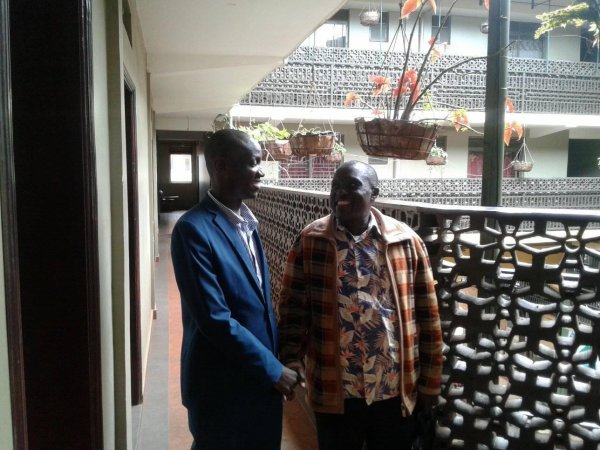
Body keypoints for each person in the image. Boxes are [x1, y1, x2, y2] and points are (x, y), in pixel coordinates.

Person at [278, 160, 443, 450]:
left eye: (352, 185)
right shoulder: (311, 240)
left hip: (393, 390)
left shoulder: (406, 242)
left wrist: (430, 382)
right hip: (336, 392)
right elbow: (293, 308)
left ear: (374, 193)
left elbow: (428, 316)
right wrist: (291, 358)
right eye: (335, 186)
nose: (341, 192)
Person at [171, 129, 298, 450]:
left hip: (260, 381)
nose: (261, 170)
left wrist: (280, 360)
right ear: (222, 166)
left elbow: (258, 307)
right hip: (221, 386)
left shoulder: (248, 224)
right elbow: (215, 318)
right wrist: (273, 369)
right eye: (252, 163)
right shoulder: (193, 230)